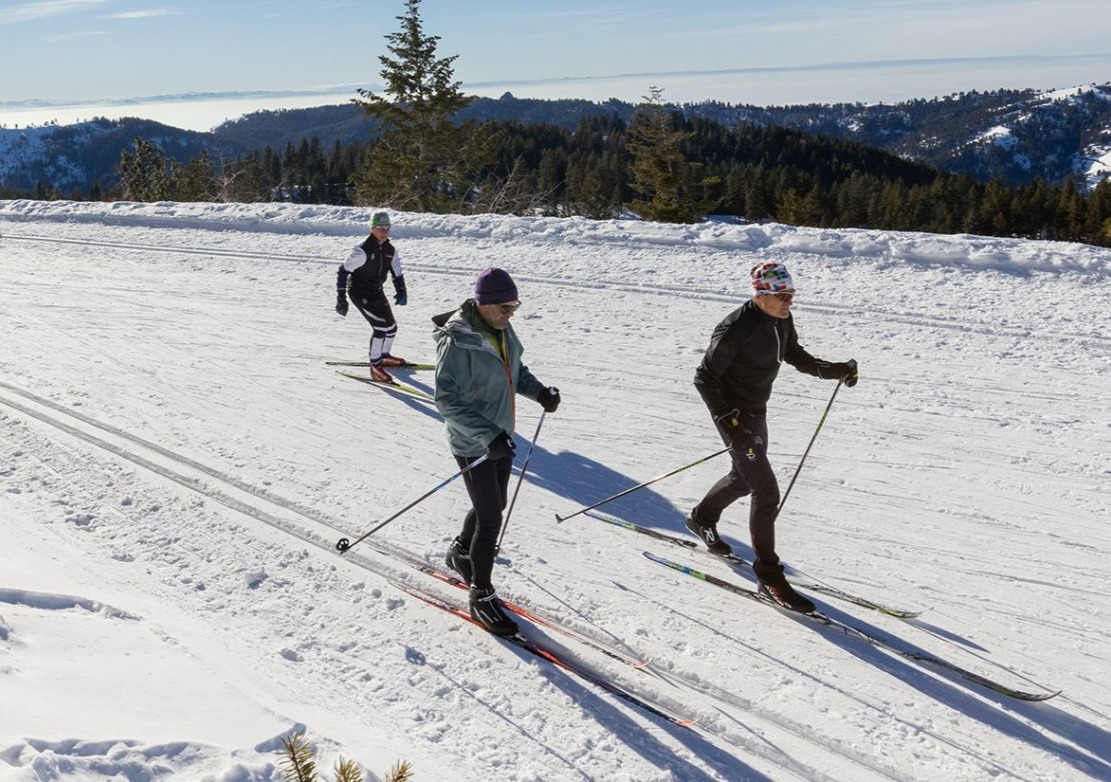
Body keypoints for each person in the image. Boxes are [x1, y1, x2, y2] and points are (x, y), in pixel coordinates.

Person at [688, 261, 858, 612]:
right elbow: (704, 378)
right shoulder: (736, 328)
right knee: (766, 491)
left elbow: (794, 355)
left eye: (791, 295)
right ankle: (769, 576)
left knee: (743, 477)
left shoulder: (781, 320)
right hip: (733, 416)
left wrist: (834, 371)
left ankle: (701, 518)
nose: (788, 302)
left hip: (755, 410)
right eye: (781, 295)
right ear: (760, 294)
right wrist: (728, 419)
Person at [432, 268, 561, 635]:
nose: (511, 314)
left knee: (494, 503)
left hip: (499, 435)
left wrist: (539, 392)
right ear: (484, 305)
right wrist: (488, 434)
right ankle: (481, 594)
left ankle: (461, 551)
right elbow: (446, 400)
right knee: (490, 518)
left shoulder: (500, 329)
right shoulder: (458, 342)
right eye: (505, 307)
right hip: (473, 441)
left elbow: (513, 371)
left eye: (514, 306)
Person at [335, 211, 409, 382]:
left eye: (387, 227)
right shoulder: (362, 251)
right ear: (372, 228)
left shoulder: (390, 250)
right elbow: (343, 271)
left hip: (376, 291)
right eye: (380, 228)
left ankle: (384, 355)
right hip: (360, 293)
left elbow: (397, 272)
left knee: (391, 327)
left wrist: (401, 290)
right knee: (380, 327)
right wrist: (341, 297)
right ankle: (375, 366)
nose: (384, 231)